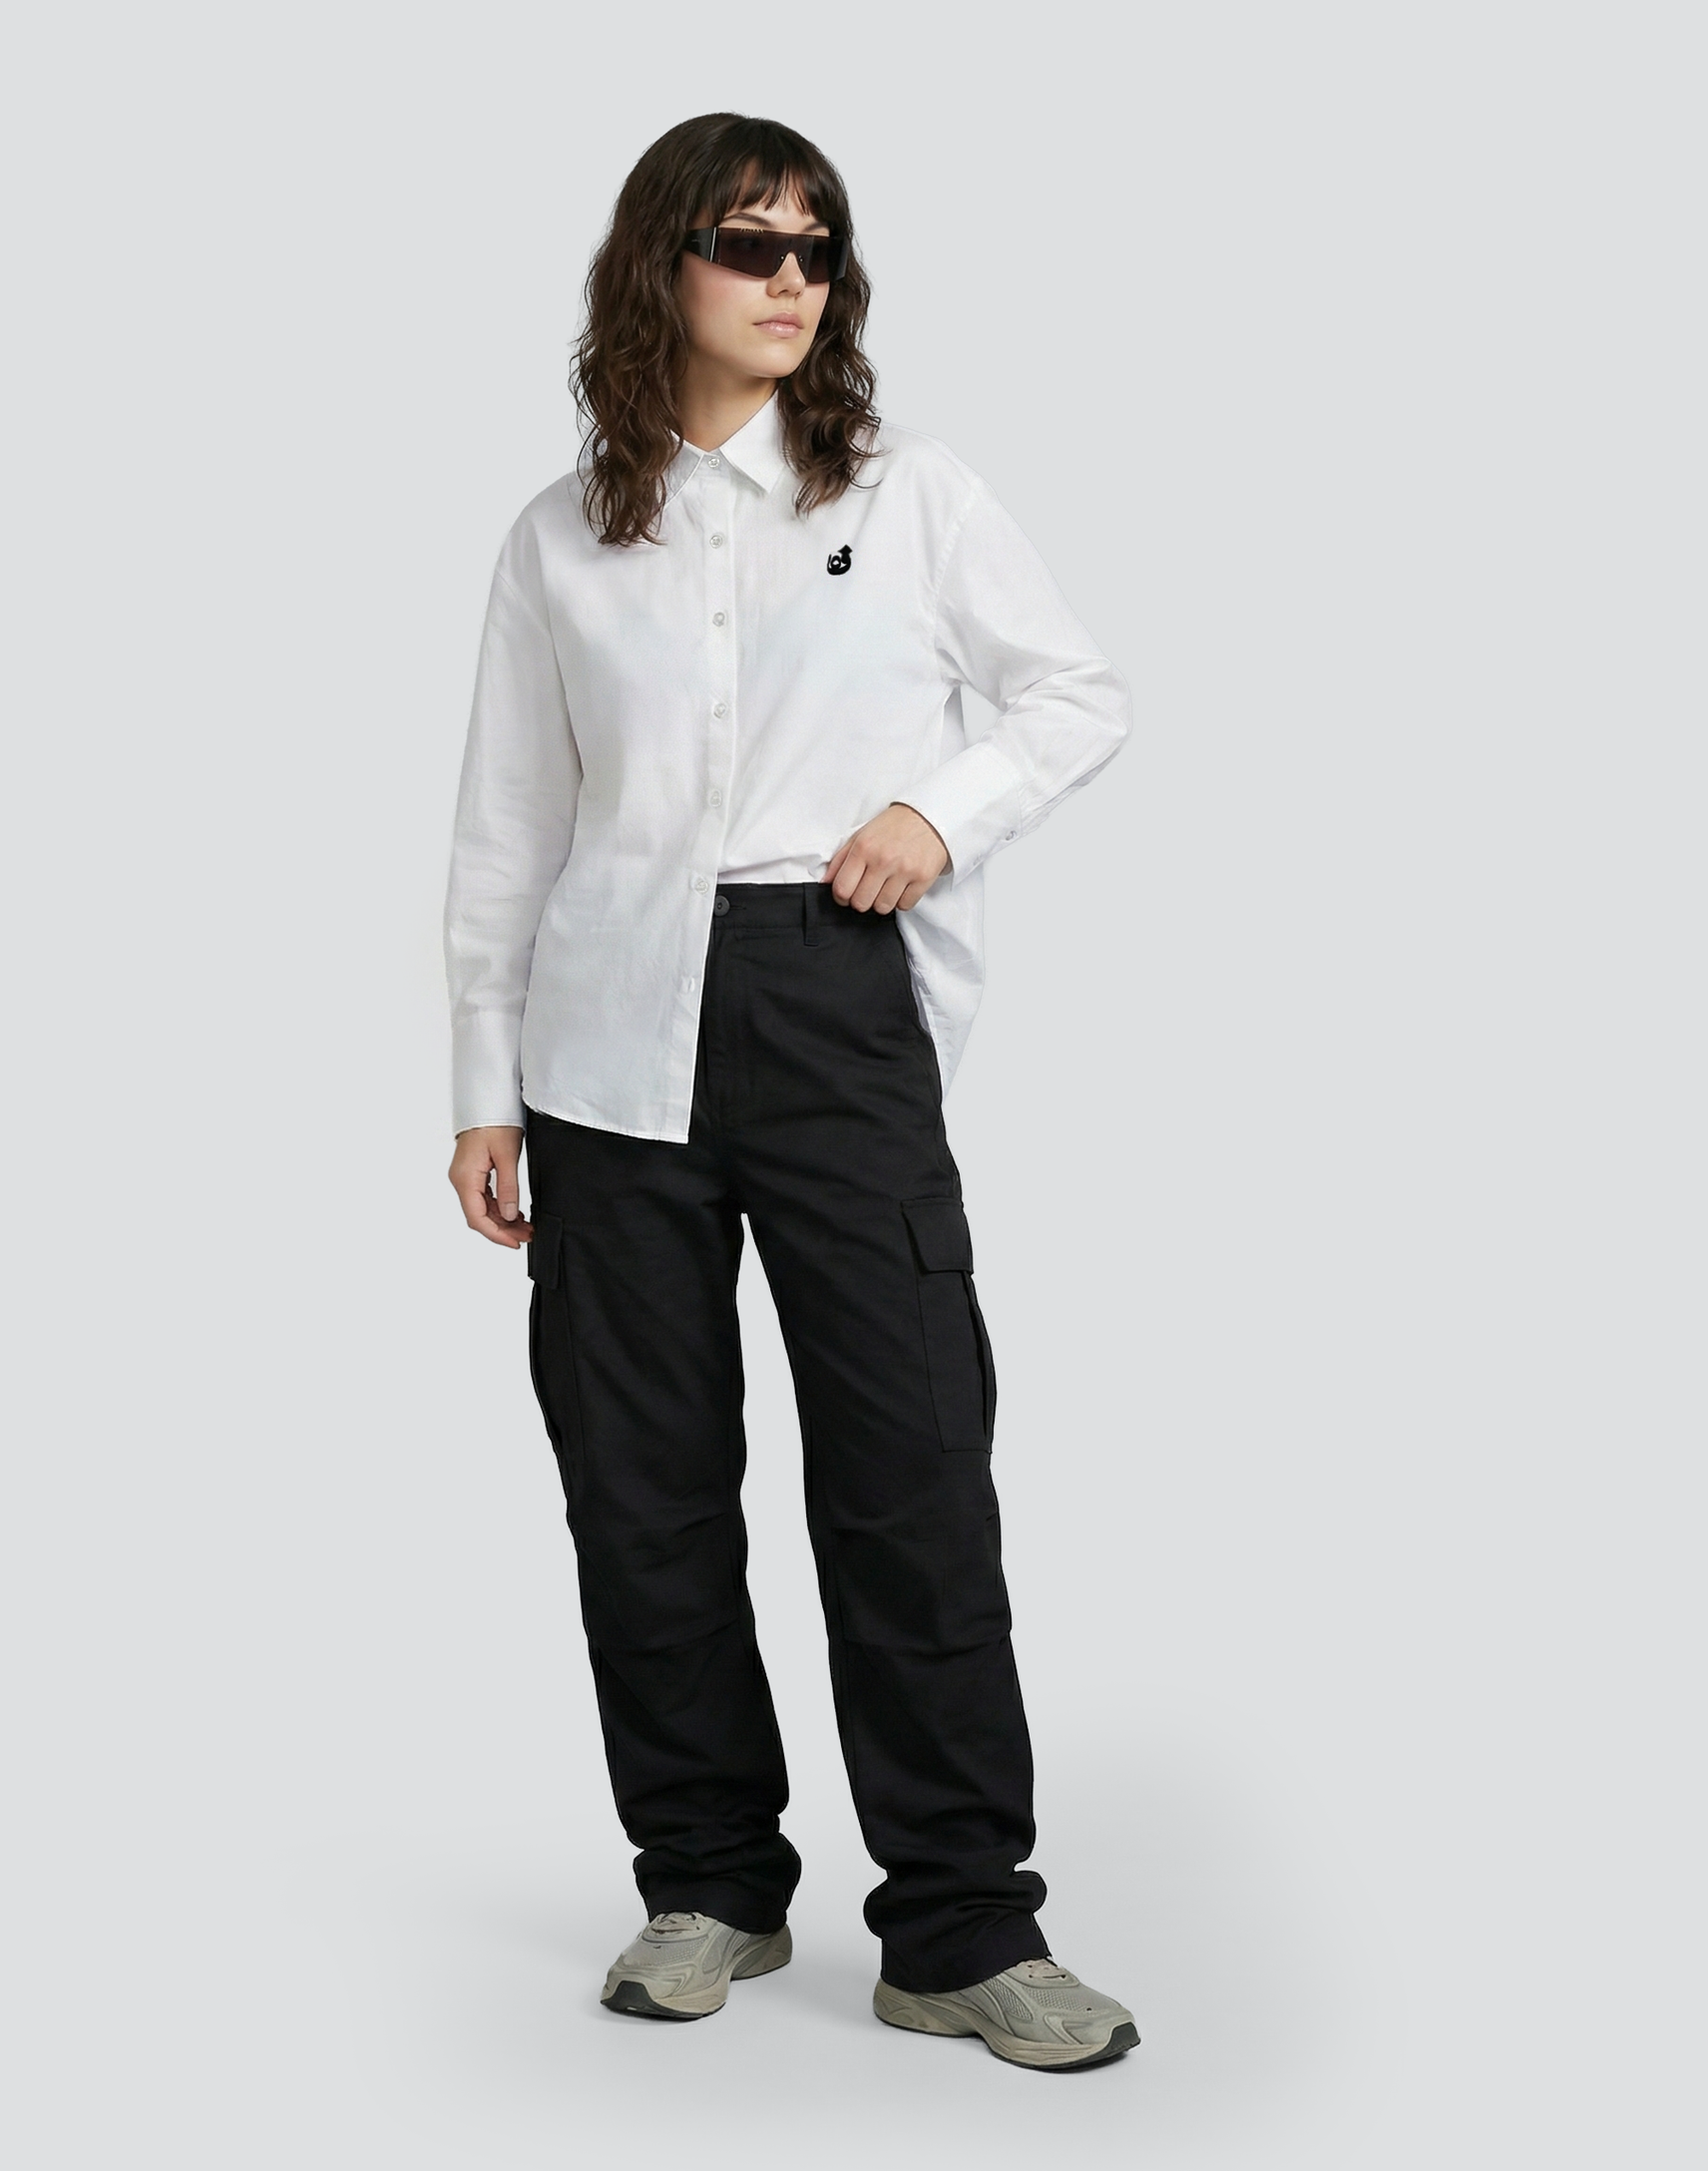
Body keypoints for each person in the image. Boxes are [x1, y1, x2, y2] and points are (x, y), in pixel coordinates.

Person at [442, 113, 1137, 2073]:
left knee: (909, 1468)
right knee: (641, 1486)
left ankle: (961, 1926)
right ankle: (708, 1882)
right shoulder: (561, 534)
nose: (790, 281)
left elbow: (1071, 694)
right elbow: (509, 825)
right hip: (606, 1036)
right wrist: (484, 1086)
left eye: (816, 248)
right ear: (658, 265)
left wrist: (936, 810)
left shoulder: (908, 493)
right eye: (749, 243)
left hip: (832, 999)